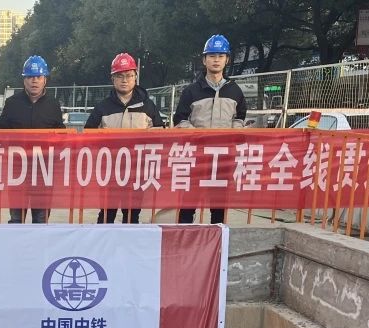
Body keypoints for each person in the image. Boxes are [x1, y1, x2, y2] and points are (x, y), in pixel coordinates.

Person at [173, 34, 247, 224]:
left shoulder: (235, 91)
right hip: (196, 157)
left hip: (222, 159)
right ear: (204, 60)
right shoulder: (191, 91)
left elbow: (240, 118)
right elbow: (180, 119)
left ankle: (217, 238)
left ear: (227, 59)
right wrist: (198, 136)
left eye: (221, 56)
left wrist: (231, 135)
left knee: (218, 206)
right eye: (212, 55)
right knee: (188, 205)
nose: (216, 60)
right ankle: (184, 237)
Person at [85, 53, 164, 224]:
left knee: (132, 216)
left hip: (137, 172)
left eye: (129, 75)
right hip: (110, 173)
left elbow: (160, 136)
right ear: (112, 79)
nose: (124, 80)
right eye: (119, 76)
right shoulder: (103, 107)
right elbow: (88, 136)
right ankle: (102, 241)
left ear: (135, 77)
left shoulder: (147, 106)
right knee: (106, 215)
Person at [0, 55, 65, 223]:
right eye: (30, 77)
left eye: (38, 77)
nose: (34, 81)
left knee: (41, 221)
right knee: (16, 221)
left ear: (45, 79)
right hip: (18, 173)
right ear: (24, 80)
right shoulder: (12, 104)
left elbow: (61, 136)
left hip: (43, 174)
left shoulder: (53, 105)